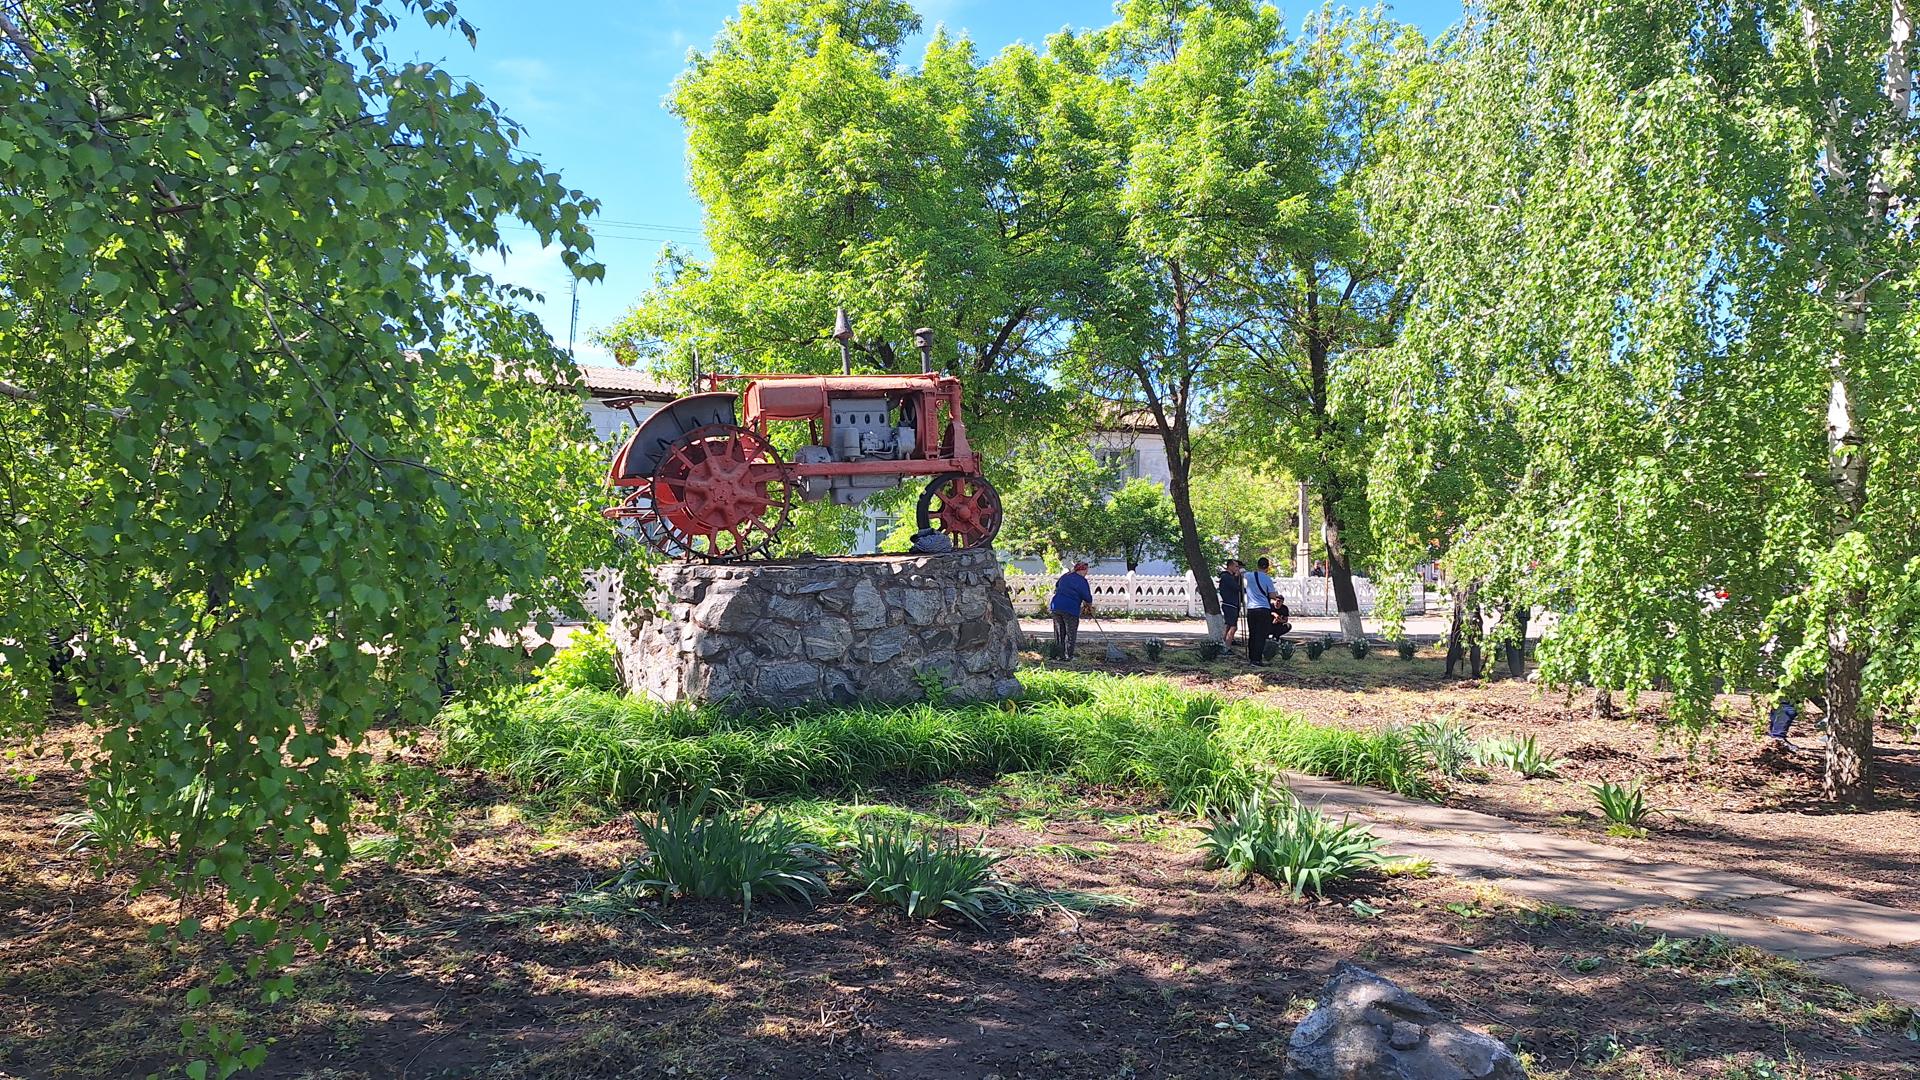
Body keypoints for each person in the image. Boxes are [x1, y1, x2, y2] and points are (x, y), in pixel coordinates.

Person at [1049, 561, 1094, 661]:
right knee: (1071, 633)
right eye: (1086, 570)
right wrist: (1089, 607)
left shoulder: (1065, 576)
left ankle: (1059, 655)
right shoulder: (1082, 581)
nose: (1087, 573)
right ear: (1082, 570)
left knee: (1059, 632)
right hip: (1070, 608)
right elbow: (1087, 597)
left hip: (1056, 606)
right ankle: (1069, 655)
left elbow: (1057, 586)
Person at [1244, 557, 1280, 664]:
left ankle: (1251, 657)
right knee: (1261, 635)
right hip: (1263, 608)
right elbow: (1272, 596)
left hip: (1251, 609)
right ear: (1267, 568)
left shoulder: (1249, 575)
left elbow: (1241, 574)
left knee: (1252, 633)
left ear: (1257, 566)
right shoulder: (1267, 579)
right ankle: (1257, 659)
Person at [1217, 558, 1245, 645]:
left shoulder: (1230, 577)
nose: (1237, 568)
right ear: (1230, 566)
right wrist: (1237, 576)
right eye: (1236, 566)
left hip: (1233, 604)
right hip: (1230, 604)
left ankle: (1223, 644)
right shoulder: (1226, 577)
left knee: (1228, 625)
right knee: (1233, 626)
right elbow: (1237, 587)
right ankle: (1227, 646)